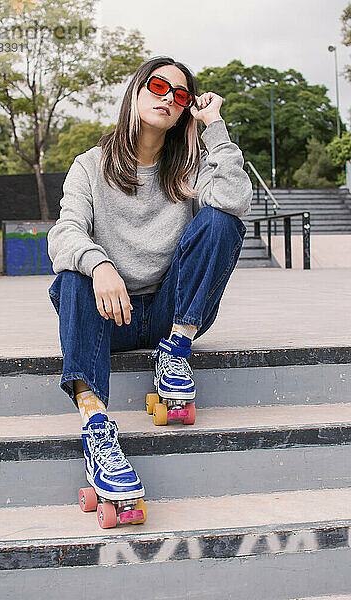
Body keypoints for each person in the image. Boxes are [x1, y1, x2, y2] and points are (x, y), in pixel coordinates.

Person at [47, 55, 253, 505]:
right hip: (110, 315)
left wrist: (215, 127)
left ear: (185, 112)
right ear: (137, 90)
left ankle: (176, 351)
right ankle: (97, 428)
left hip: (169, 314)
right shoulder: (90, 165)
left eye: (180, 96)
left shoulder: (190, 166)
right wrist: (100, 265)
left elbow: (235, 203)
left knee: (221, 222)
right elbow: (65, 231)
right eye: (159, 87)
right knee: (72, 279)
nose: (169, 99)